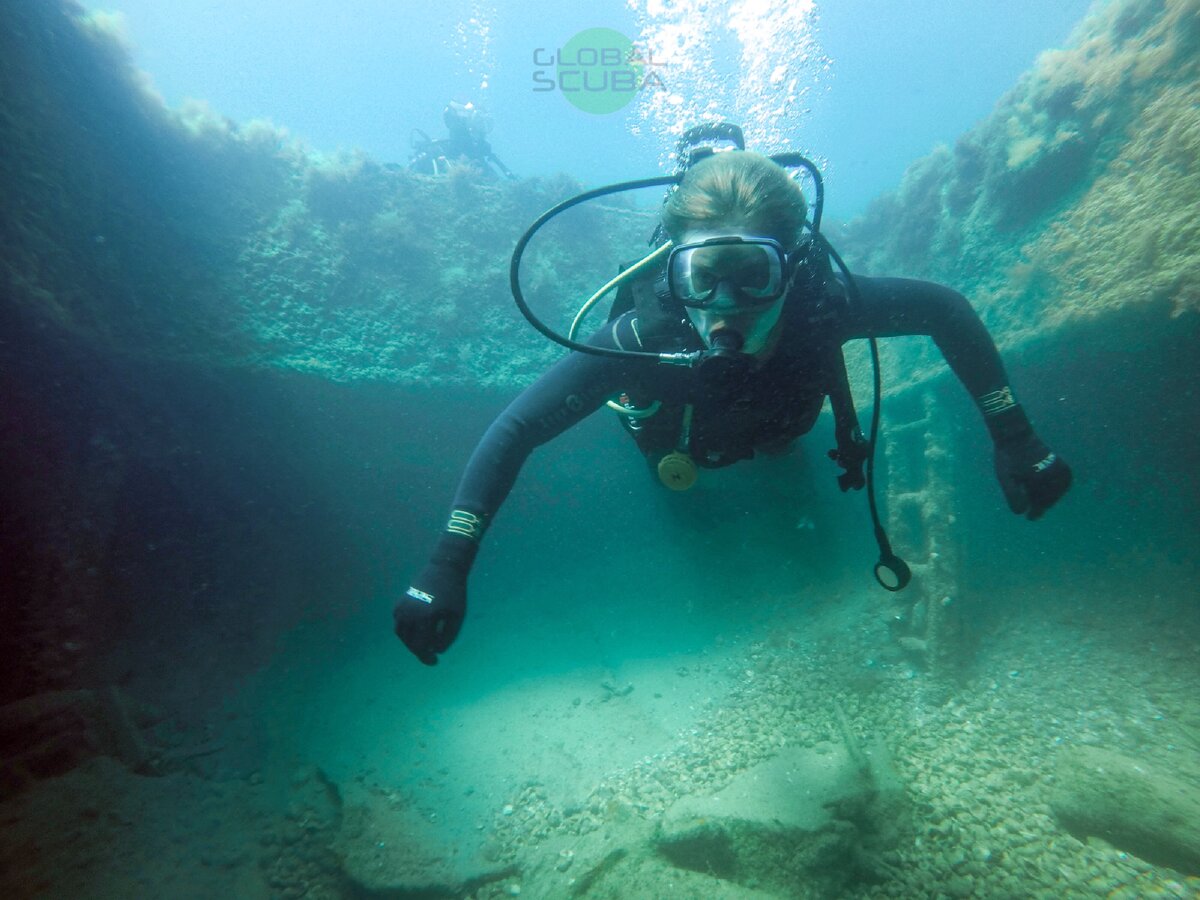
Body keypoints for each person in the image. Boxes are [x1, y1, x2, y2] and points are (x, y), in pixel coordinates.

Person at [394, 144, 1072, 665]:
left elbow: (946, 311)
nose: (725, 306)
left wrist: (1015, 434)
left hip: (781, 427)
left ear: (794, 265)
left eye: (754, 275)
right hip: (678, 450)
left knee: (783, 451)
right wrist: (447, 563)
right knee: (677, 486)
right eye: (701, 276)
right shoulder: (645, 334)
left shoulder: (823, 304)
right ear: (672, 271)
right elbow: (518, 426)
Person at [408, 101, 516, 179]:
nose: (482, 132)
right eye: (479, 123)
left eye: (486, 125)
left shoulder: (480, 160)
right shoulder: (437, 152)